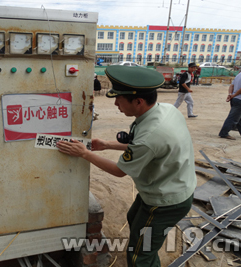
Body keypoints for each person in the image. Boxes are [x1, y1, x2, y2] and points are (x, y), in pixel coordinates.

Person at [57, 65, 196, 267]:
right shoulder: (166, 110)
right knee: (134, 219)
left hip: (164, 201)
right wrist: (106, 145)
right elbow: (144, 146)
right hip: (172, 186)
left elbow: (120, 171)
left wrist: (84, 154)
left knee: (139, 256)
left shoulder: (151, 134)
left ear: (138, 101)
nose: (116, 104)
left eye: (119, 99)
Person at [218, 61, 241, 140]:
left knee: (240, 116)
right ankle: (224, 133)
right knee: (233, 117)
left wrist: (230, 94)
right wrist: (233, 95)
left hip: (235, 98)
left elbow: (232, 85)